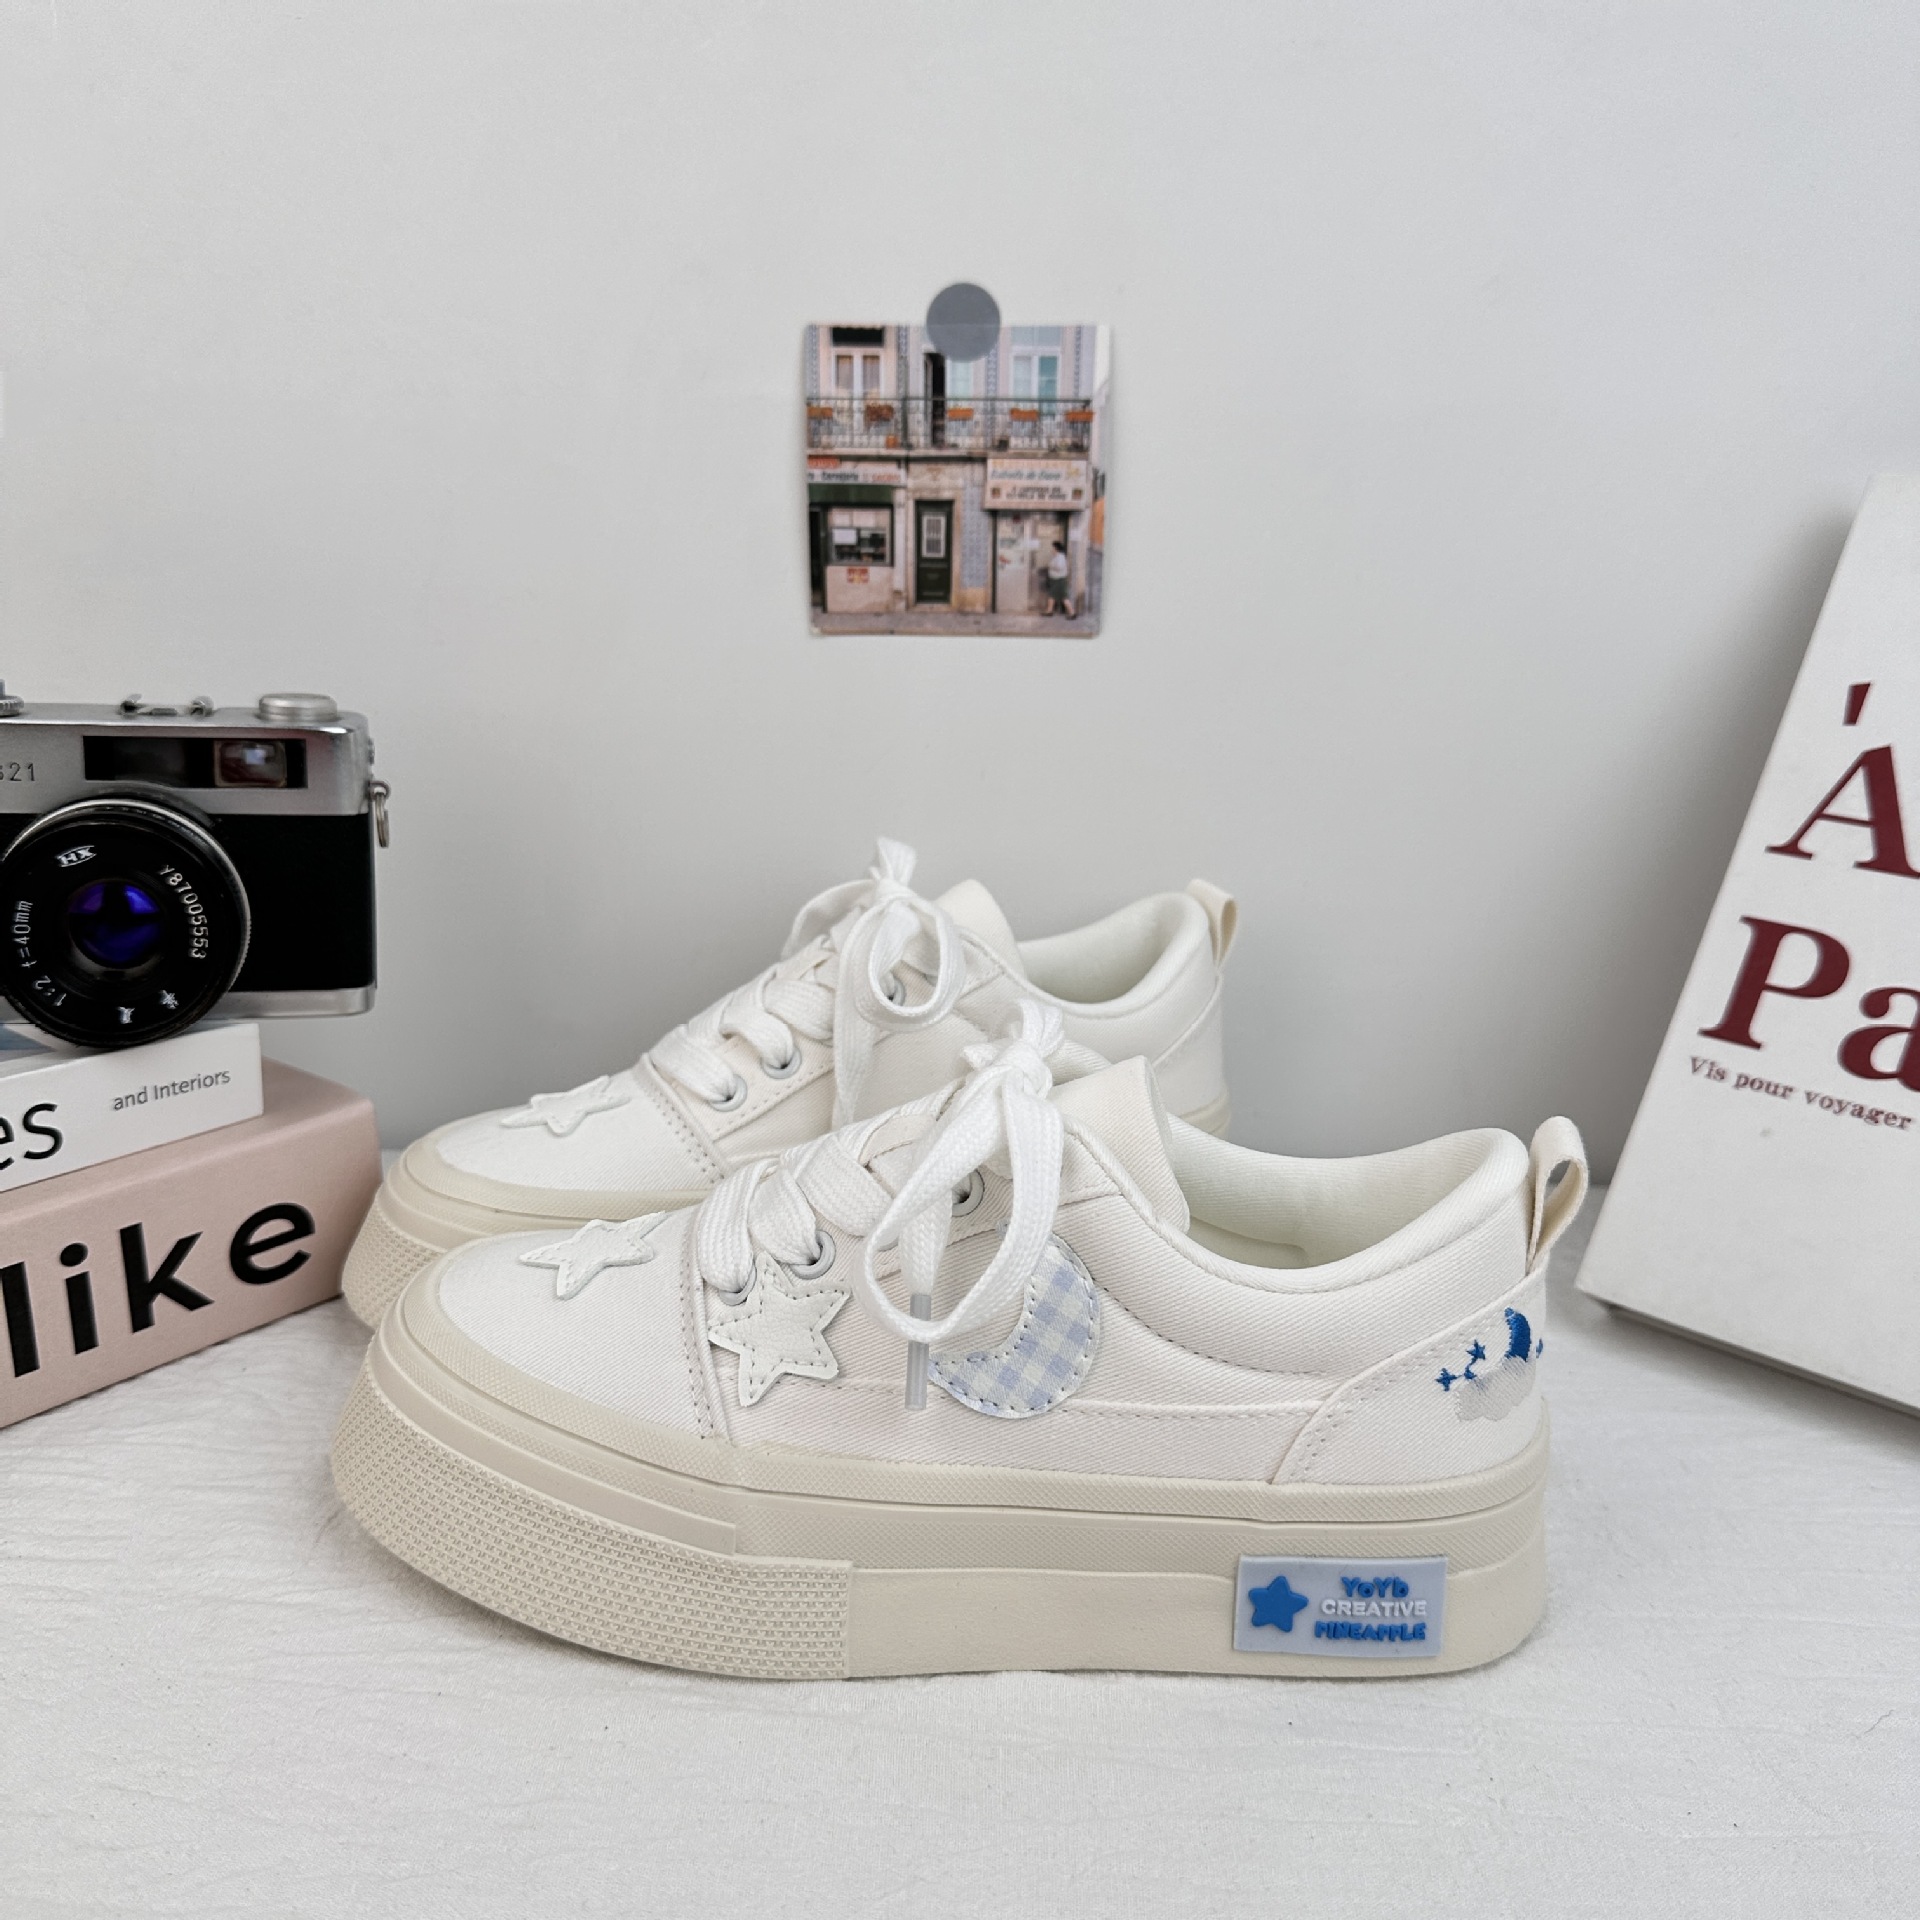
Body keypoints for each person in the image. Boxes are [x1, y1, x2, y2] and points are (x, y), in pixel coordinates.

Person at [1044, 539, 1073, 618]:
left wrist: (1051, 566)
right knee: (1052, 595)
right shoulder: (1056, 556)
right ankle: (1049, 611)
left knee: (1063, 597)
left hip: (1059, 580)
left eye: (1052, 547)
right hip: (1055, 580)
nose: (1051, 549)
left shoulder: (1060, 557)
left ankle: (1072, 613)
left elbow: (1059, 567)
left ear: (1056, 548)